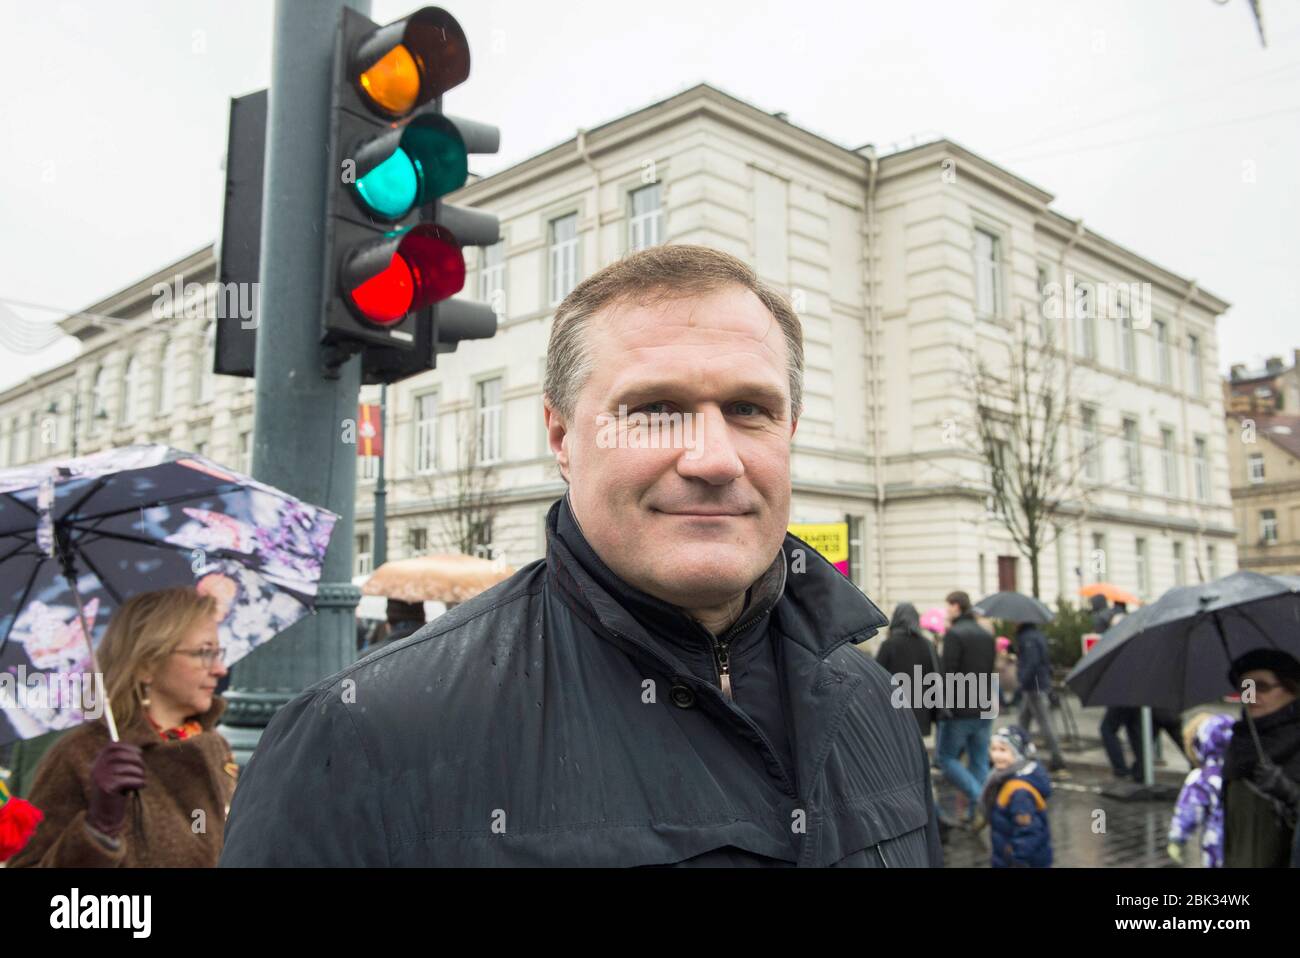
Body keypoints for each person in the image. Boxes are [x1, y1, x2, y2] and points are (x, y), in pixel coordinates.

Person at [220, 245, 942, 867]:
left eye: (750, 409)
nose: (715, 459)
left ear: (790, 429)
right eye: (655, 410)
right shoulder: (358, 738)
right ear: (562, 437)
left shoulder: (874, 703)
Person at [10, 587, 238, 867]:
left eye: (218, 653)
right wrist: (99, 829)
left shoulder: (214, 746)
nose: (219, 669)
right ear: (146, 664)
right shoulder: (80, 753)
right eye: (204, 653)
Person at [1222, 649, 1300, 868]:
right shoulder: (1239, 742)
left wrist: (1289, 793)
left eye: (1262, 687)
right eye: (1246, 688)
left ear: (1292, 689)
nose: (1252, 695)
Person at [935, 590, 997, 828]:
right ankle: (976, 813)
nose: (946, 611)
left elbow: (948, 673)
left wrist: (942, 705)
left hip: (961, 709)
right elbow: (991, 670)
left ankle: (980, 801)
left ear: (956, 607)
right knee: (979, 761)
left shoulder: (954, 635)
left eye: (948, 606)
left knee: (946, 758)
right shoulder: (985, 634)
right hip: (984, 705)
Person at [1167, 712, 1233, 868]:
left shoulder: (1202, 778)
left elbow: (1189, 811)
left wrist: (1177, 838)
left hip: (1216, 845)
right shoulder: (1245, 770)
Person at [980, 725, 1052, 868]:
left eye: (1003, 750)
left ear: (1018, 755)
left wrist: (1016, 857)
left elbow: (1029, 831)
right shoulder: (1002, 777)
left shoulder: (1019, 792)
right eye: (993, 749)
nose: (996, 755)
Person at [876, 602, 940, 738]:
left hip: (894, 708)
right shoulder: (927, 645)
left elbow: (877, 676)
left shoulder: (889, 644)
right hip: (922, 708)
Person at [1013, 620, 1067, 774]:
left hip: (1034, 685)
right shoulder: (1035, 635)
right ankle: (1019, 752)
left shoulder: (1028, 638)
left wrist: (1021, 682)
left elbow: (1032, 662)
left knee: (1044, 722)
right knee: (1024, 720)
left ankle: (1058, 760)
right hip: (1036, 683)